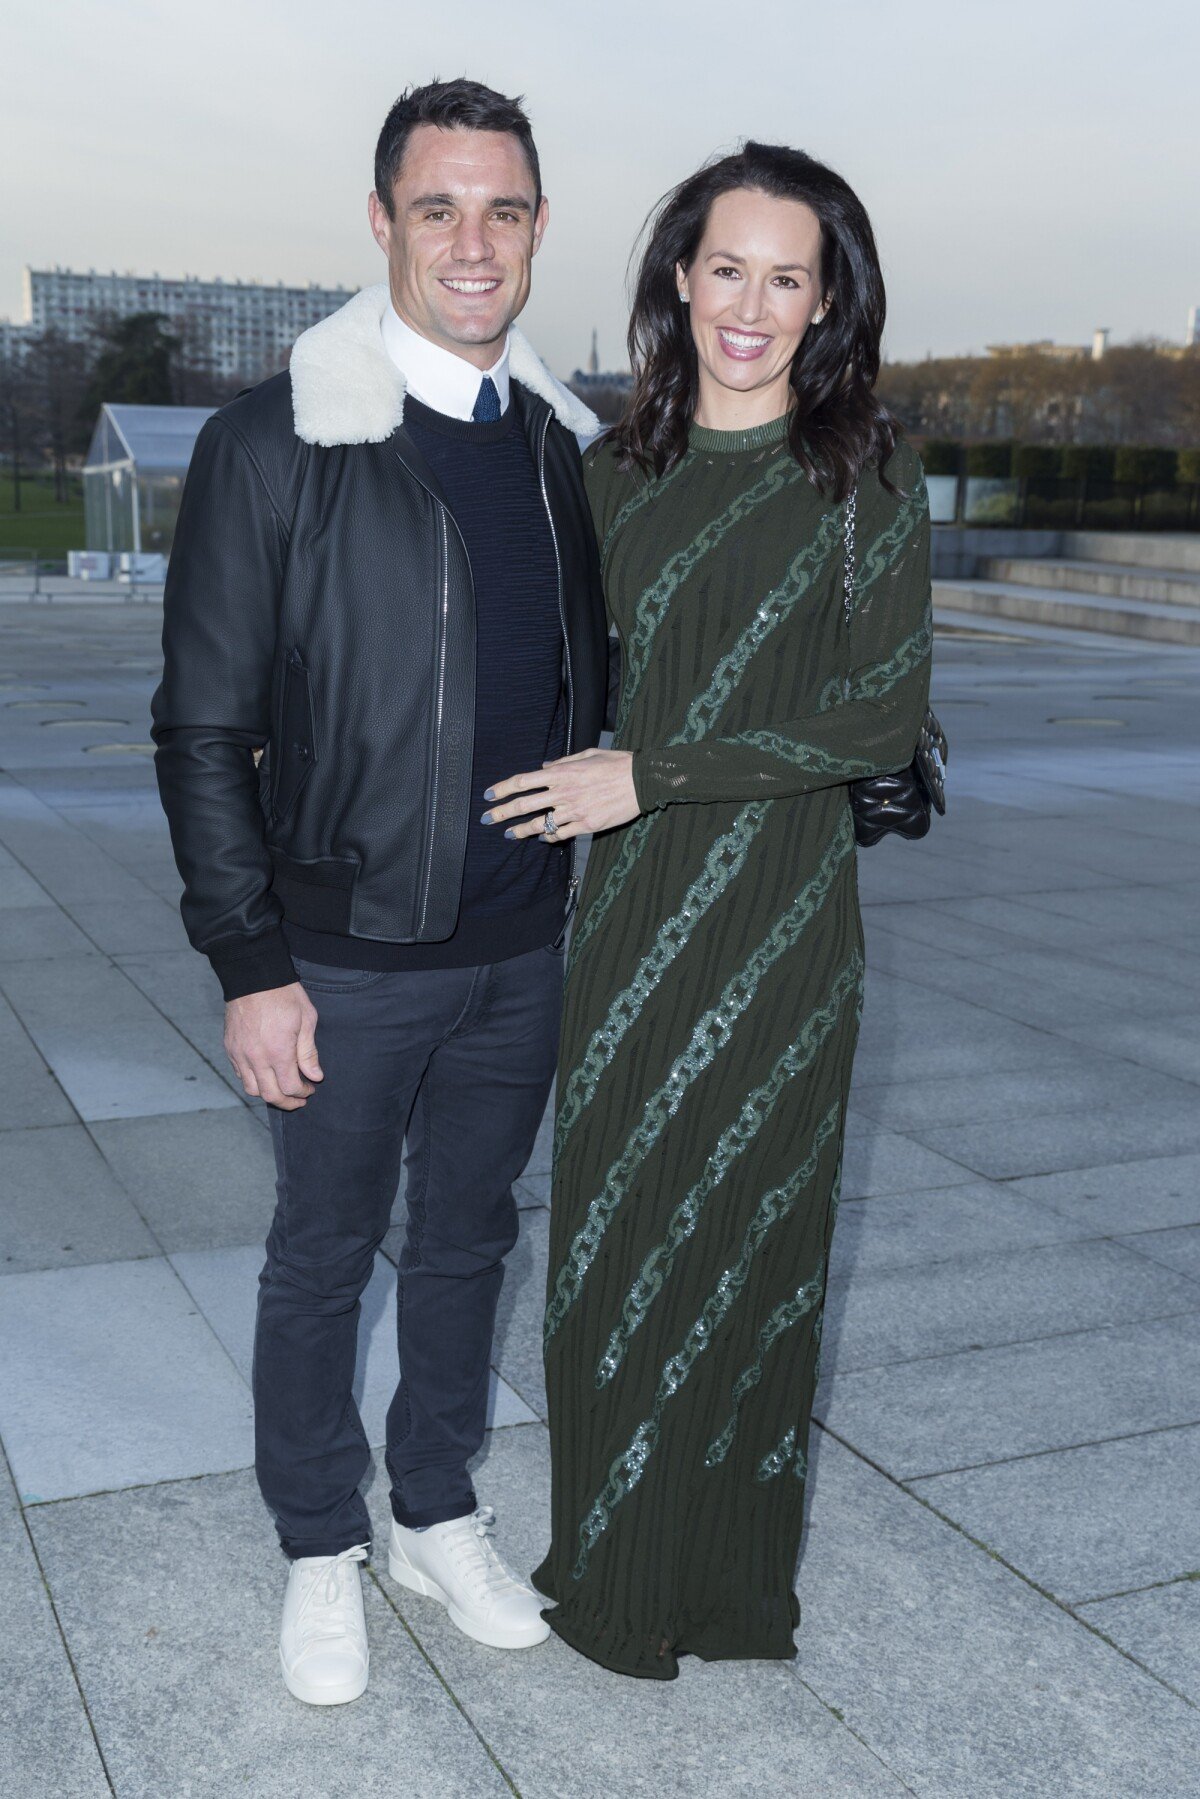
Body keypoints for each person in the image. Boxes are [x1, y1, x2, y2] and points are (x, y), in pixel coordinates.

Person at [151, 78, 608, 1705]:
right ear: (383, 222)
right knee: (323, 1253)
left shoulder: (565, 450)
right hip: (341, 958)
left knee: (472, 1241)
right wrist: (249, 960)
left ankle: (431, 1507)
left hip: (519, 949)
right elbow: (204, 729)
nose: (471, 243)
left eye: (503, 210)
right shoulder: (277, 440)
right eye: (438, 208)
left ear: (539, 228)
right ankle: (314, 1544)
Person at [484, 142, 932, 1678]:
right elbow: (534, 682)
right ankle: (615, 1572)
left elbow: (882, 719)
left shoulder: (864, 474)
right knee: (612, 1243)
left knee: (747, 1248)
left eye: (786, 276)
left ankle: (731, 1592)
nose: (750, 304)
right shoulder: (607, 474)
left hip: (788, 926)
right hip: (628, 927)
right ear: (680, 277)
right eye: (725, 268)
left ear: (826, 302)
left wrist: (652, 770)